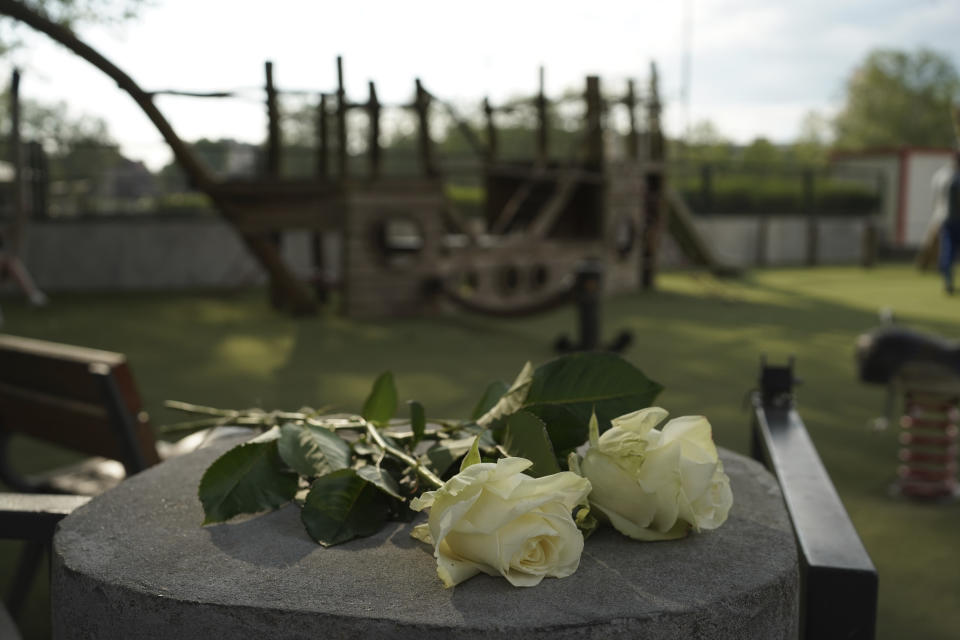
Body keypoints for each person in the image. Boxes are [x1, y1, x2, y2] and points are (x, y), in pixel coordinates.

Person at [937, 150, 960, 293]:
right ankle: (948, 281)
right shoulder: (956, 178)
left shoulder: (943, 176)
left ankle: (947, 281)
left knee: (948, 251)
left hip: (945, 218)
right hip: (956, 220)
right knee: (949, 252)